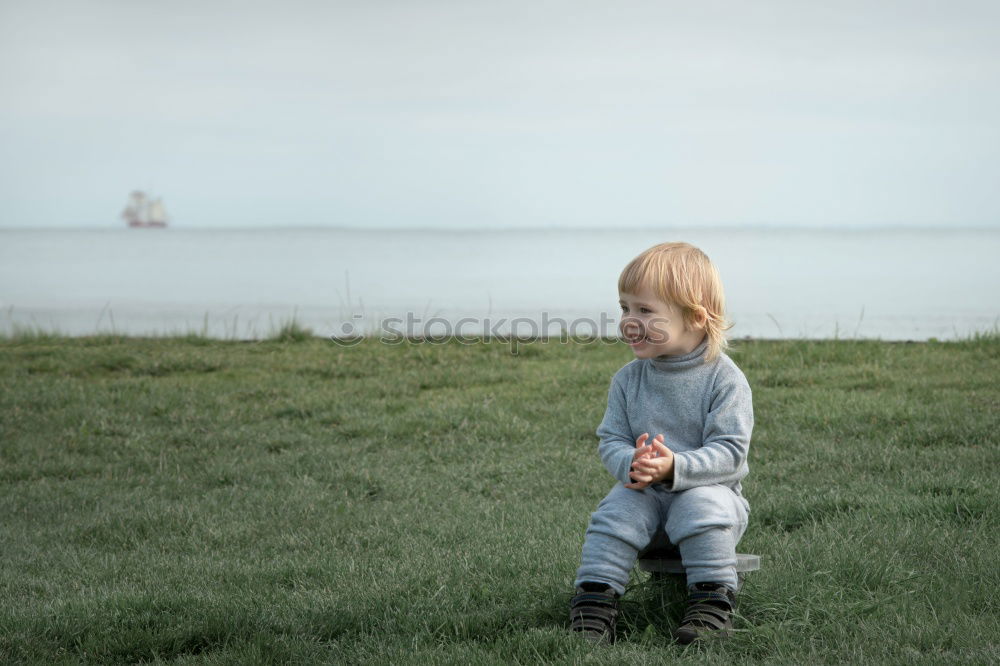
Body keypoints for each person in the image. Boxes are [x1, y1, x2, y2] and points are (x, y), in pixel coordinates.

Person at [569, 241, 754, 645]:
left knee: (701, 503)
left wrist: (675, 467)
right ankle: (594, 604)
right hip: (648, 501)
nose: (629, 321)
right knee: (615, 510)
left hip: (713, 502)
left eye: (645, 310)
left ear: (695, 317)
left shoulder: (723, 379)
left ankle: (712, 603)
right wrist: (631, 463)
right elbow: (611, 438)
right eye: (625, 308)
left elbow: (731, 453)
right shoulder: (628, 379)